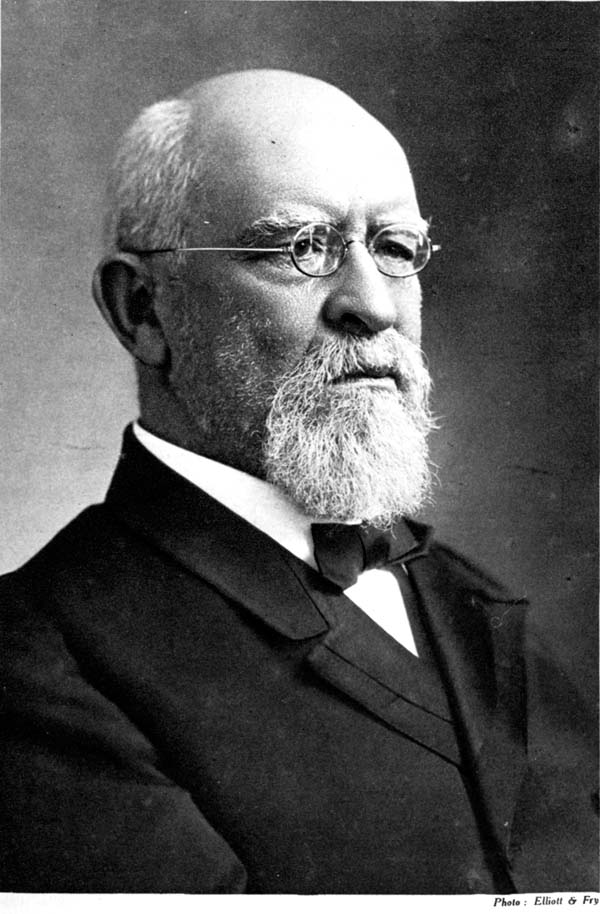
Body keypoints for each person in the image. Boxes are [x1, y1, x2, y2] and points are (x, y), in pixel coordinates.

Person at [0, 69, 596, 895]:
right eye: (301, 249)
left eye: (395, 249)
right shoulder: (36, 658)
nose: (373, 307)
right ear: (144, 309)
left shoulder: (473, 603)